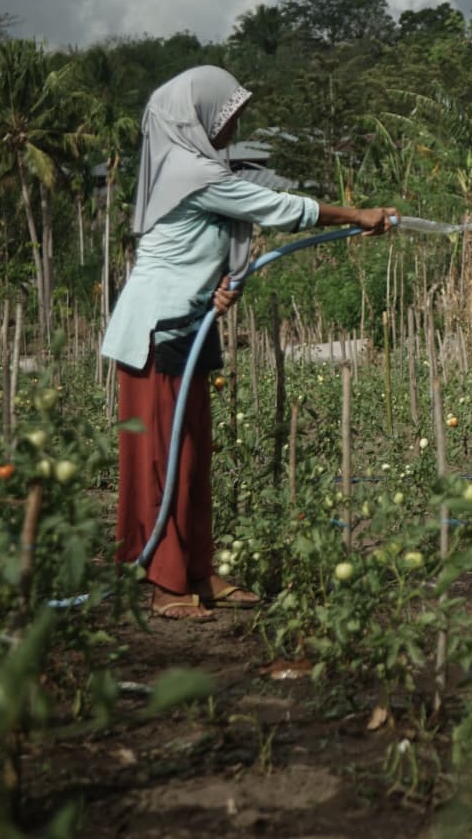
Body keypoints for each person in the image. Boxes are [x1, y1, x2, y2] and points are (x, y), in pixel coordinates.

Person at [102, 65, 398, 620]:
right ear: (194, 118)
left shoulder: (192, 169)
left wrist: (213, 288)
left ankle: (195, 570)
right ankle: (166, 585)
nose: (234, 126)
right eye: (227, 116)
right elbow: (280, 209)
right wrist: (357, 214)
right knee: (164, 463)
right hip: (155, 333)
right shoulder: (190, 172)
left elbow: (194, 247)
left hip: (186, 326)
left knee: (192, 460)